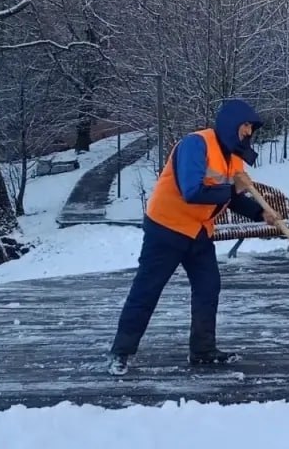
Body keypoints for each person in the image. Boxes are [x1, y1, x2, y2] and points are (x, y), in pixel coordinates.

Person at [106, 99, 277, 375]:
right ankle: (121, 352)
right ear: (231, 123)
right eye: (245, 125)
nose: (249, 132)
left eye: (251, 128)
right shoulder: (195, 145)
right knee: (147, 290)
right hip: (166, 228)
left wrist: (261, 213)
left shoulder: (233, 158)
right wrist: (232, 187)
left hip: (198, 232)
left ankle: (202, 350)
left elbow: (232, 198)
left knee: (208, 287)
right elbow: (192, 191)